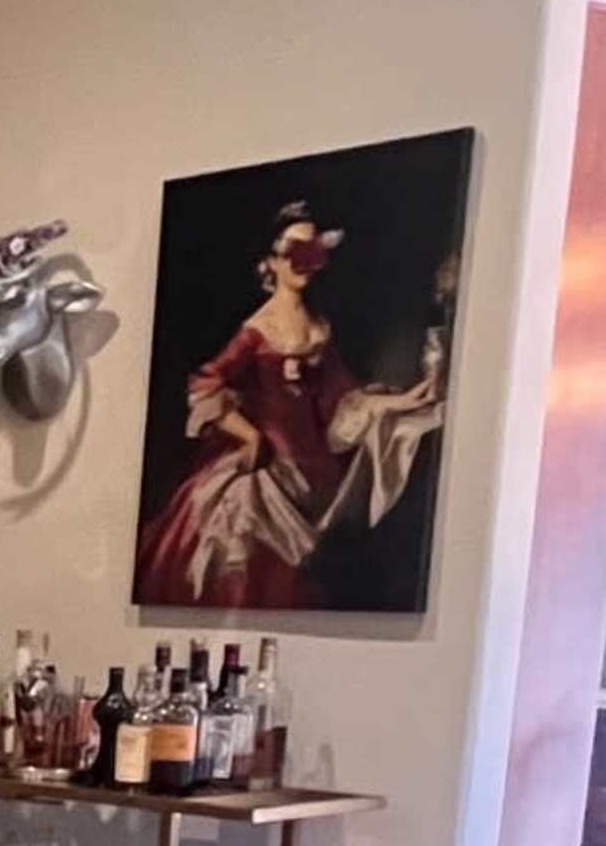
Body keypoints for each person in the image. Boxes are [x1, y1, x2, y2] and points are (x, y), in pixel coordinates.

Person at [134, 201, 444, 608]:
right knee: (241, 530)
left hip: (313, 466)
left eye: (311, 251)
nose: (302, 263)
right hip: (267, 466)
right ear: (271, 263)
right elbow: (205, 384)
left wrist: (401, 400)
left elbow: (340, 396)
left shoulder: (319, 328)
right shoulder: (256, 330)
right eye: (292, 252)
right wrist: (249, 437)